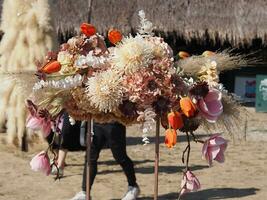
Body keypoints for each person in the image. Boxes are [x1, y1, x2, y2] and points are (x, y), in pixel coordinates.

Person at [71, 122, 140, 200]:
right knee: (90, 157)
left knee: (120, 156)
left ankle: (133, 186)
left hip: (114, 122)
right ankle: (85, 191)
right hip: (96, 122)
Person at [46, 112, 85, 177]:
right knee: (48, 132)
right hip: (55, 107)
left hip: (69, 109)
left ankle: (60, 166)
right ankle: (58, 158)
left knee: (66, 133)